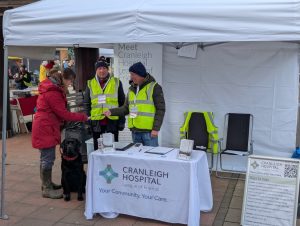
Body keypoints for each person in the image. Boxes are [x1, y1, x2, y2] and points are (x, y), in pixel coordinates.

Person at [32, 68, 89, 199]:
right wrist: (83, 117)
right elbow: (63, 113)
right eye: (70, 81)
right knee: (47, 158)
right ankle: (46, 188)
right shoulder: (53, 92)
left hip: (47, 126)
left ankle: (48, 183)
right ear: (65, 78)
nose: (71, 84)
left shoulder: (53, 88)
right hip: (45, 127)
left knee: (47, 157)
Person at [103, 62, 165, 147]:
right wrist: (111, 112)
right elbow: (126, 108)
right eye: (130, 74)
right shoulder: (131, 89)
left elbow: (160, 109)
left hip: (149, 132)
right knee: (137, 158)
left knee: (151, 157)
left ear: (140, 74)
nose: (131, 77)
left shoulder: (155, 87)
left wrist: (155, 129)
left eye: (133, 74)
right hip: (135, 132)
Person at [83, 61, 125, 150]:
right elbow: (87, 104)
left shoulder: (116, 82)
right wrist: (87, 122)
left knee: (113, 147)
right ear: (96, 70)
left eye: (104, 68)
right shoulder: (90, 83)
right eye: (99, 68)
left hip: (112, 120)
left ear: (108, 69)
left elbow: (122, 103)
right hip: (96, 121)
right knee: (98, 148)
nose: (102, 71)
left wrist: (122, 120)